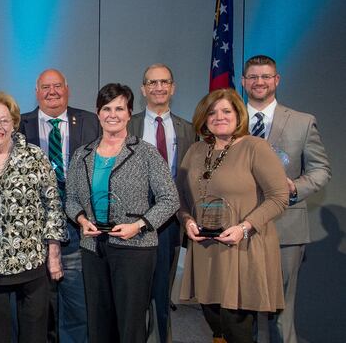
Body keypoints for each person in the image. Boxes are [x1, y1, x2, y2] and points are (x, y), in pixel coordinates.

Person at [65, 83, 179, 343]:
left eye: (119, 108)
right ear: (98, 113)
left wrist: (138, 225)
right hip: (93, 247)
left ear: (129, 113)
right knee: (99, 322)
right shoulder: (82, 154)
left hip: (134, 248)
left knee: (130, 324)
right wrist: (81, 220)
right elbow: (70, 198)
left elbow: (170, 199)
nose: (112, 114)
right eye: (106, 108)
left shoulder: (146, 152)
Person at [177, 88, 288, 343]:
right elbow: (179, 195)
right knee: (214, 321)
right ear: (204, 118)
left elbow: (279, 197)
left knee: (236, 326)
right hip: (206, 249)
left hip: (243, 247)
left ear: (239, 115)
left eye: (226, 111)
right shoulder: (195, 150)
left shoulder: (255, 147)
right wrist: (187, 220)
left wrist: (244, 227)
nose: (219, 117)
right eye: (212, 112)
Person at [240, 55, 331, 343]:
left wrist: (293, 189)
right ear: (243, 82)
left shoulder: (303, 122)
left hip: (286, 229)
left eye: (266, 76)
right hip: (239, 228)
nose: (259, 82)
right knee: (241, 311)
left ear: (276, 80)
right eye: (253, 77)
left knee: (281, 311)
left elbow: (321, 170)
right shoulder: (228, 119)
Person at [0, 91, 67, 343]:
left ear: (14, 123)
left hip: (31, 261)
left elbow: (53, 205)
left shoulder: (34, 156)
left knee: (35, 334)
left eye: (4, 120)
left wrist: (53, 253)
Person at [18, 68, 99, 343]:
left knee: (76, 301)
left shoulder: (90, 122)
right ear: (36, 92)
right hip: (32, 228)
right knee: (37, 304)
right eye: (45, 87)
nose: (52, 92)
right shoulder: (19, 125)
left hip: (77, 224)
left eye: (57, 86)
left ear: (67, 89)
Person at [127, 63, 195, 343]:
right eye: (152, 82)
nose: (158, 87)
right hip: (132, 219)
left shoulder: (188, 129)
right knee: (134, 291)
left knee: (162, 290)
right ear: (143, 89)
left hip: (169, 220)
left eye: (164, 82)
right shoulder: (128, 124)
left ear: (173, 88)